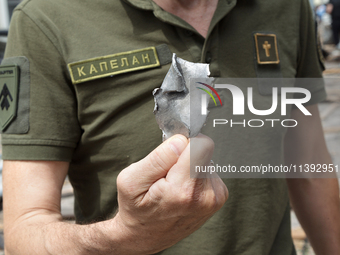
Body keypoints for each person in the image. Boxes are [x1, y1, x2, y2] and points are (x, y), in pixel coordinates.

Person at [1, 0, 340, 254]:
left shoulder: (287, 6)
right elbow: (23, 229)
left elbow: (309, 164)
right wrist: (124, 234)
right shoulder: (47, 19)